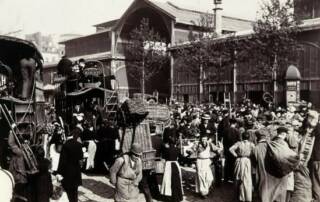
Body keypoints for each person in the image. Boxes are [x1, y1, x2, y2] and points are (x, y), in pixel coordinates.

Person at [252, 128, 289, 202]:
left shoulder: (255, 148)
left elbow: (254, 168)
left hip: (263, 176)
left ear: (257, 137)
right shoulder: (273, 145)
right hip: (275, 175)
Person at [291, 110, 318, 202]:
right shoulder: (309, 130)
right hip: (308, 162)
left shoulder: (311, 131)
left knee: (313, 184)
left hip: (311, 162)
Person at [190, 134, 222, 198]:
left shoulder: (209, 144)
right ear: (200, 140)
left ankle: (207, 188)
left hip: (207, 162)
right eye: (202, 139)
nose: (203, 141)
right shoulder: (197, 144)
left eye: (205, 139)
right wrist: (193, 150)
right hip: (200, 162)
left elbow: (217, 149)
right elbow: (191, 150)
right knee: (201, 177)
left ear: (207, 140)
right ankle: (203, 193)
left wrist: (220, 148)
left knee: (210, 178)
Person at [57, 125, 83, 202]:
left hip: (67, 172)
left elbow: (62, 161)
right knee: (75, 193)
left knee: (68, 193)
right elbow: (80, 159)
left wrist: (59, 172)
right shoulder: (79, 145)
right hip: (76, 172)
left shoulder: (66, 145)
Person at [229, 131, 255, 202]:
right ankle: (247, 197)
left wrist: (236, 155)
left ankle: (239, 196)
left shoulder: (238, 143)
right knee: (247, 179)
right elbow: (254, 152)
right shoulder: (251, 144)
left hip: (239, 160)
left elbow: (230, 149)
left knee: (238, 178)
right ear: (249, 137)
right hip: (247, 161)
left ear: (242, 137)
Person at [160, 137, 183, 202]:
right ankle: (178, 196)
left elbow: (163, 157)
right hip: (176, 164)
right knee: (176, 180)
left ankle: (169, 197)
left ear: (168, 143)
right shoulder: (177, 149)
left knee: (168, 181)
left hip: (168, 165)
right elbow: (181, 158)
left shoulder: (166, 150)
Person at [223, 118, 241, 182]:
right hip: (234, 150)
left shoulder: (225, 130)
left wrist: (224, 150)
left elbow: (224, 142)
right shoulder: (237, 131)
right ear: (235, 123)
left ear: (229, 123)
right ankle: (233, 178)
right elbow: (239, 141)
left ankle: (226, 178)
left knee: (227, 164)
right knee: (234, 164)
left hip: (227, 150)